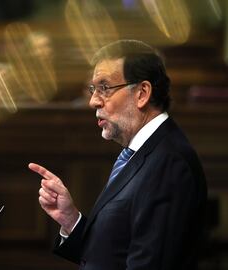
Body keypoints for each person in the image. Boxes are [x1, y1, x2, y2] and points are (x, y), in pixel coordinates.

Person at [28, 39, 207, 270]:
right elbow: (114, 251)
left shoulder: (168, 163)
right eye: (93, 89)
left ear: (142, 93)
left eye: (104, 88)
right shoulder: (141, 152)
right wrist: (71, 220)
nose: (93, 101)